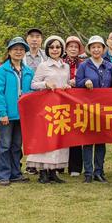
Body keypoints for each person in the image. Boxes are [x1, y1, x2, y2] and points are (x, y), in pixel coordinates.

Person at [26, 36, 71, 184]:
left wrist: (68, 86)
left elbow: (65, 83)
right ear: (47, 49)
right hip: (46, 107)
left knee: (58, 139)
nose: (55, 50)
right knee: (46, 138)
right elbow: (33, 84)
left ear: (62, 49)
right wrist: (45, 84)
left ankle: (53, 171)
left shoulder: (66, 67)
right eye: (52, 47)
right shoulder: (43, 66)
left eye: (58, 47)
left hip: (61, 107)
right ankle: (43, 172)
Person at [0, 37, 34, 186]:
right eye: (15, 49)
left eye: (21, 49)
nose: (18, 52)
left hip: (22, 114)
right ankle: (2, 175)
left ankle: (16, 173)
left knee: (17, 145)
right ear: (9, 51)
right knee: (5, 145)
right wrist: (2, 113)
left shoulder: (28, 71)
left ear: (25, 52)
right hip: (6, 115)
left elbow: (31, 92)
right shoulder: (2, 70)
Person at [75, 36, 112, 183]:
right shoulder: (84, 66)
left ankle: (99, 171)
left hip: (104, 108)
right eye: (93, 47)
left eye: (99, 47)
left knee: (100, 141)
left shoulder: (109, 66)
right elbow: (77, 83)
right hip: (87, 108)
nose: (96, 49)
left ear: (104, 49)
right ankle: (88, 172)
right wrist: (85, 81)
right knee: (88, 141)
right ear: (89, 49)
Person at [63, 35, 85, 177]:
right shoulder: (60, 61)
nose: (73, 49)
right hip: (62, 101)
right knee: (61, 132)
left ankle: (75, 167)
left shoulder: (83, 63)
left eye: (75, 47)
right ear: (66, 48)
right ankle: (59, 165)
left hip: (79, 102)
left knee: (76, 133)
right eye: (70, 46)